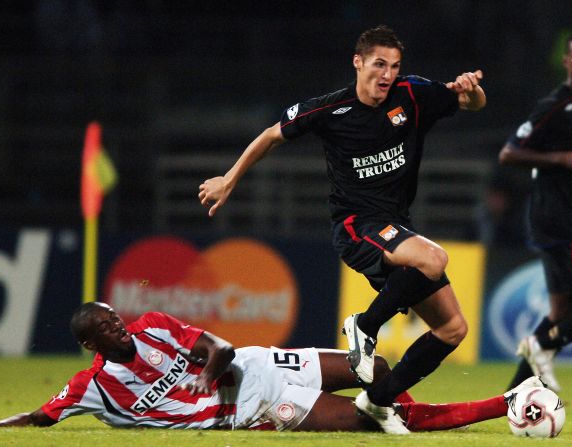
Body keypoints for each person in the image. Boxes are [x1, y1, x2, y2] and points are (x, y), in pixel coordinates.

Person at [198, 24, 486, 414]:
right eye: (379, 64)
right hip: (356, 227)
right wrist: (229, 181)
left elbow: (472, 104)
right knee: (433, 259)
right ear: (358, 62)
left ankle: (379, 402)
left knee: (453, 329)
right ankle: (365, 326)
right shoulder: (331, 108)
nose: (387, 75)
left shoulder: (412, 95)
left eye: (395, 66)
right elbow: (270, 135)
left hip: (396, 227)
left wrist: (473, 90)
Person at [0, 302, 541, 434]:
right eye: (102, 328)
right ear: (90, 344)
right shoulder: (93, 387)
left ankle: (509, 403)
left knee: (378, 366)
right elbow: (42, 416)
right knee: (376, 422)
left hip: (258, 364)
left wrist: (206, 366)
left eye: (113, 316)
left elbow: (219, 348)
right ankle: (506, 403)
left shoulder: (154, 324)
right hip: (251, 407)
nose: (116, 325)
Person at [499, 29, 572, 393]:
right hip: (558, 221)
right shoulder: (553, 105)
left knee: (563, 311)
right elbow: (509, 153)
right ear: (566, 61)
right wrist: (560, 159)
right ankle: (542, 344)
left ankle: (509, 398)